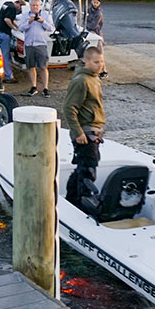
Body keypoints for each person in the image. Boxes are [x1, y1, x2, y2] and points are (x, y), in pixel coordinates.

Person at [63, 46, 106, 210]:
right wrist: (78, 132)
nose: (100, 65)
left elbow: (94, 107)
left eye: (101, 62)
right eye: (96, 62)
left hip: (92, 130)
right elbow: (68, 108)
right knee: (88, 169)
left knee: (84, 166)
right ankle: (81, 203)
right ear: (86, 61)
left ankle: (71, 198)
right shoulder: (81, 81)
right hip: (84, 132)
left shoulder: (95, 78)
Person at [17, 0, 54, 97]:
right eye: (33, 5)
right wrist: (29, 22)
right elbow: (20, 28)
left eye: (37, 5)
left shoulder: (46, 15)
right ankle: (34, 87)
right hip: (29, 44)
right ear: (30, 6)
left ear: (40, 6)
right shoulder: (25, 15)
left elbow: (51, 28)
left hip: (41, 44)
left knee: (43, 67)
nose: (35, 7)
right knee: (31, 67)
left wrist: (42, 21)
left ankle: (45, 88)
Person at [0, 0, 24, 83]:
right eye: (20, 7)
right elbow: (7, 19)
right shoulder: (12, 8)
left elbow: (11, 19)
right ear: (18, 4)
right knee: (5, 56)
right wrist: (13, 28)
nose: (19, 9)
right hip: (4, 33)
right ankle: (8, 76)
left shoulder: (6, 4)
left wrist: (18, 27)